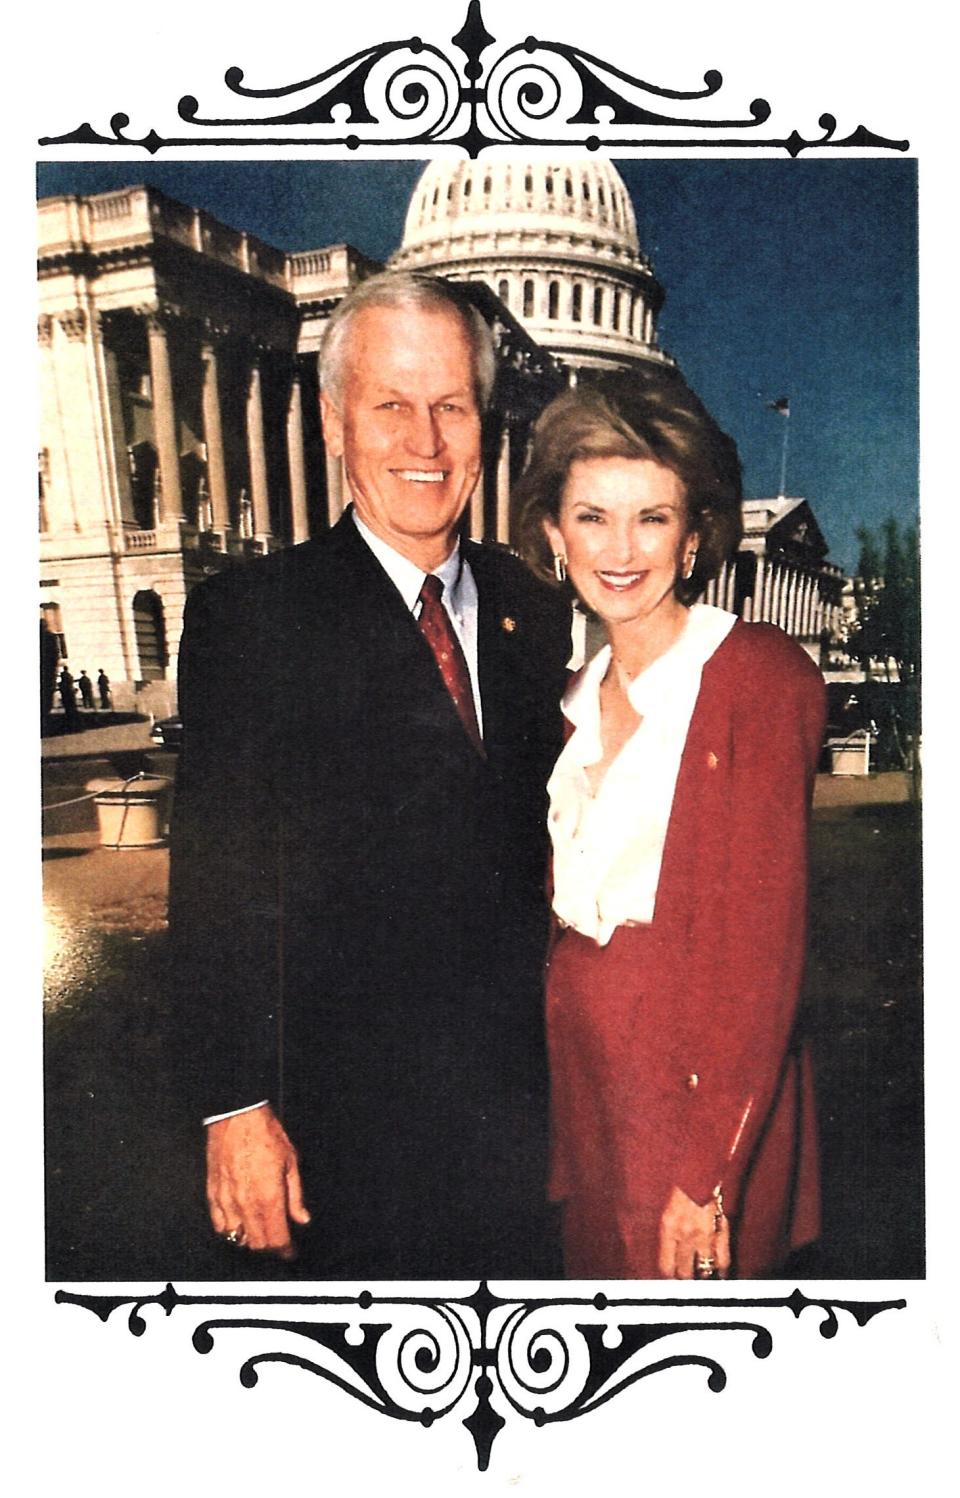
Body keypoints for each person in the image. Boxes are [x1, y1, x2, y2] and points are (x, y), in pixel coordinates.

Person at [167, 272, 571, 1279]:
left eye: (451, 407)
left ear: (486, 422)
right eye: (391, 405)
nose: (425, 444)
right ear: (335, 422)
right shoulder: (253, 620)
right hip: (345, 1139)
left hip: (527, 1125)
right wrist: (234, 1107)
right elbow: (217, 892)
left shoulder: (534, 612)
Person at [515, 370, 826, 1279]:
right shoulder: (566, 702)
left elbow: (762, 958)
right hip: (589, 1094)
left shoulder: (754, 679)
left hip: (697, 1095)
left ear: (693, 540)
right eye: (592, 517)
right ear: (552, 534)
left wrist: (708, 1175)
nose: (621, 549)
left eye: (652, 518)